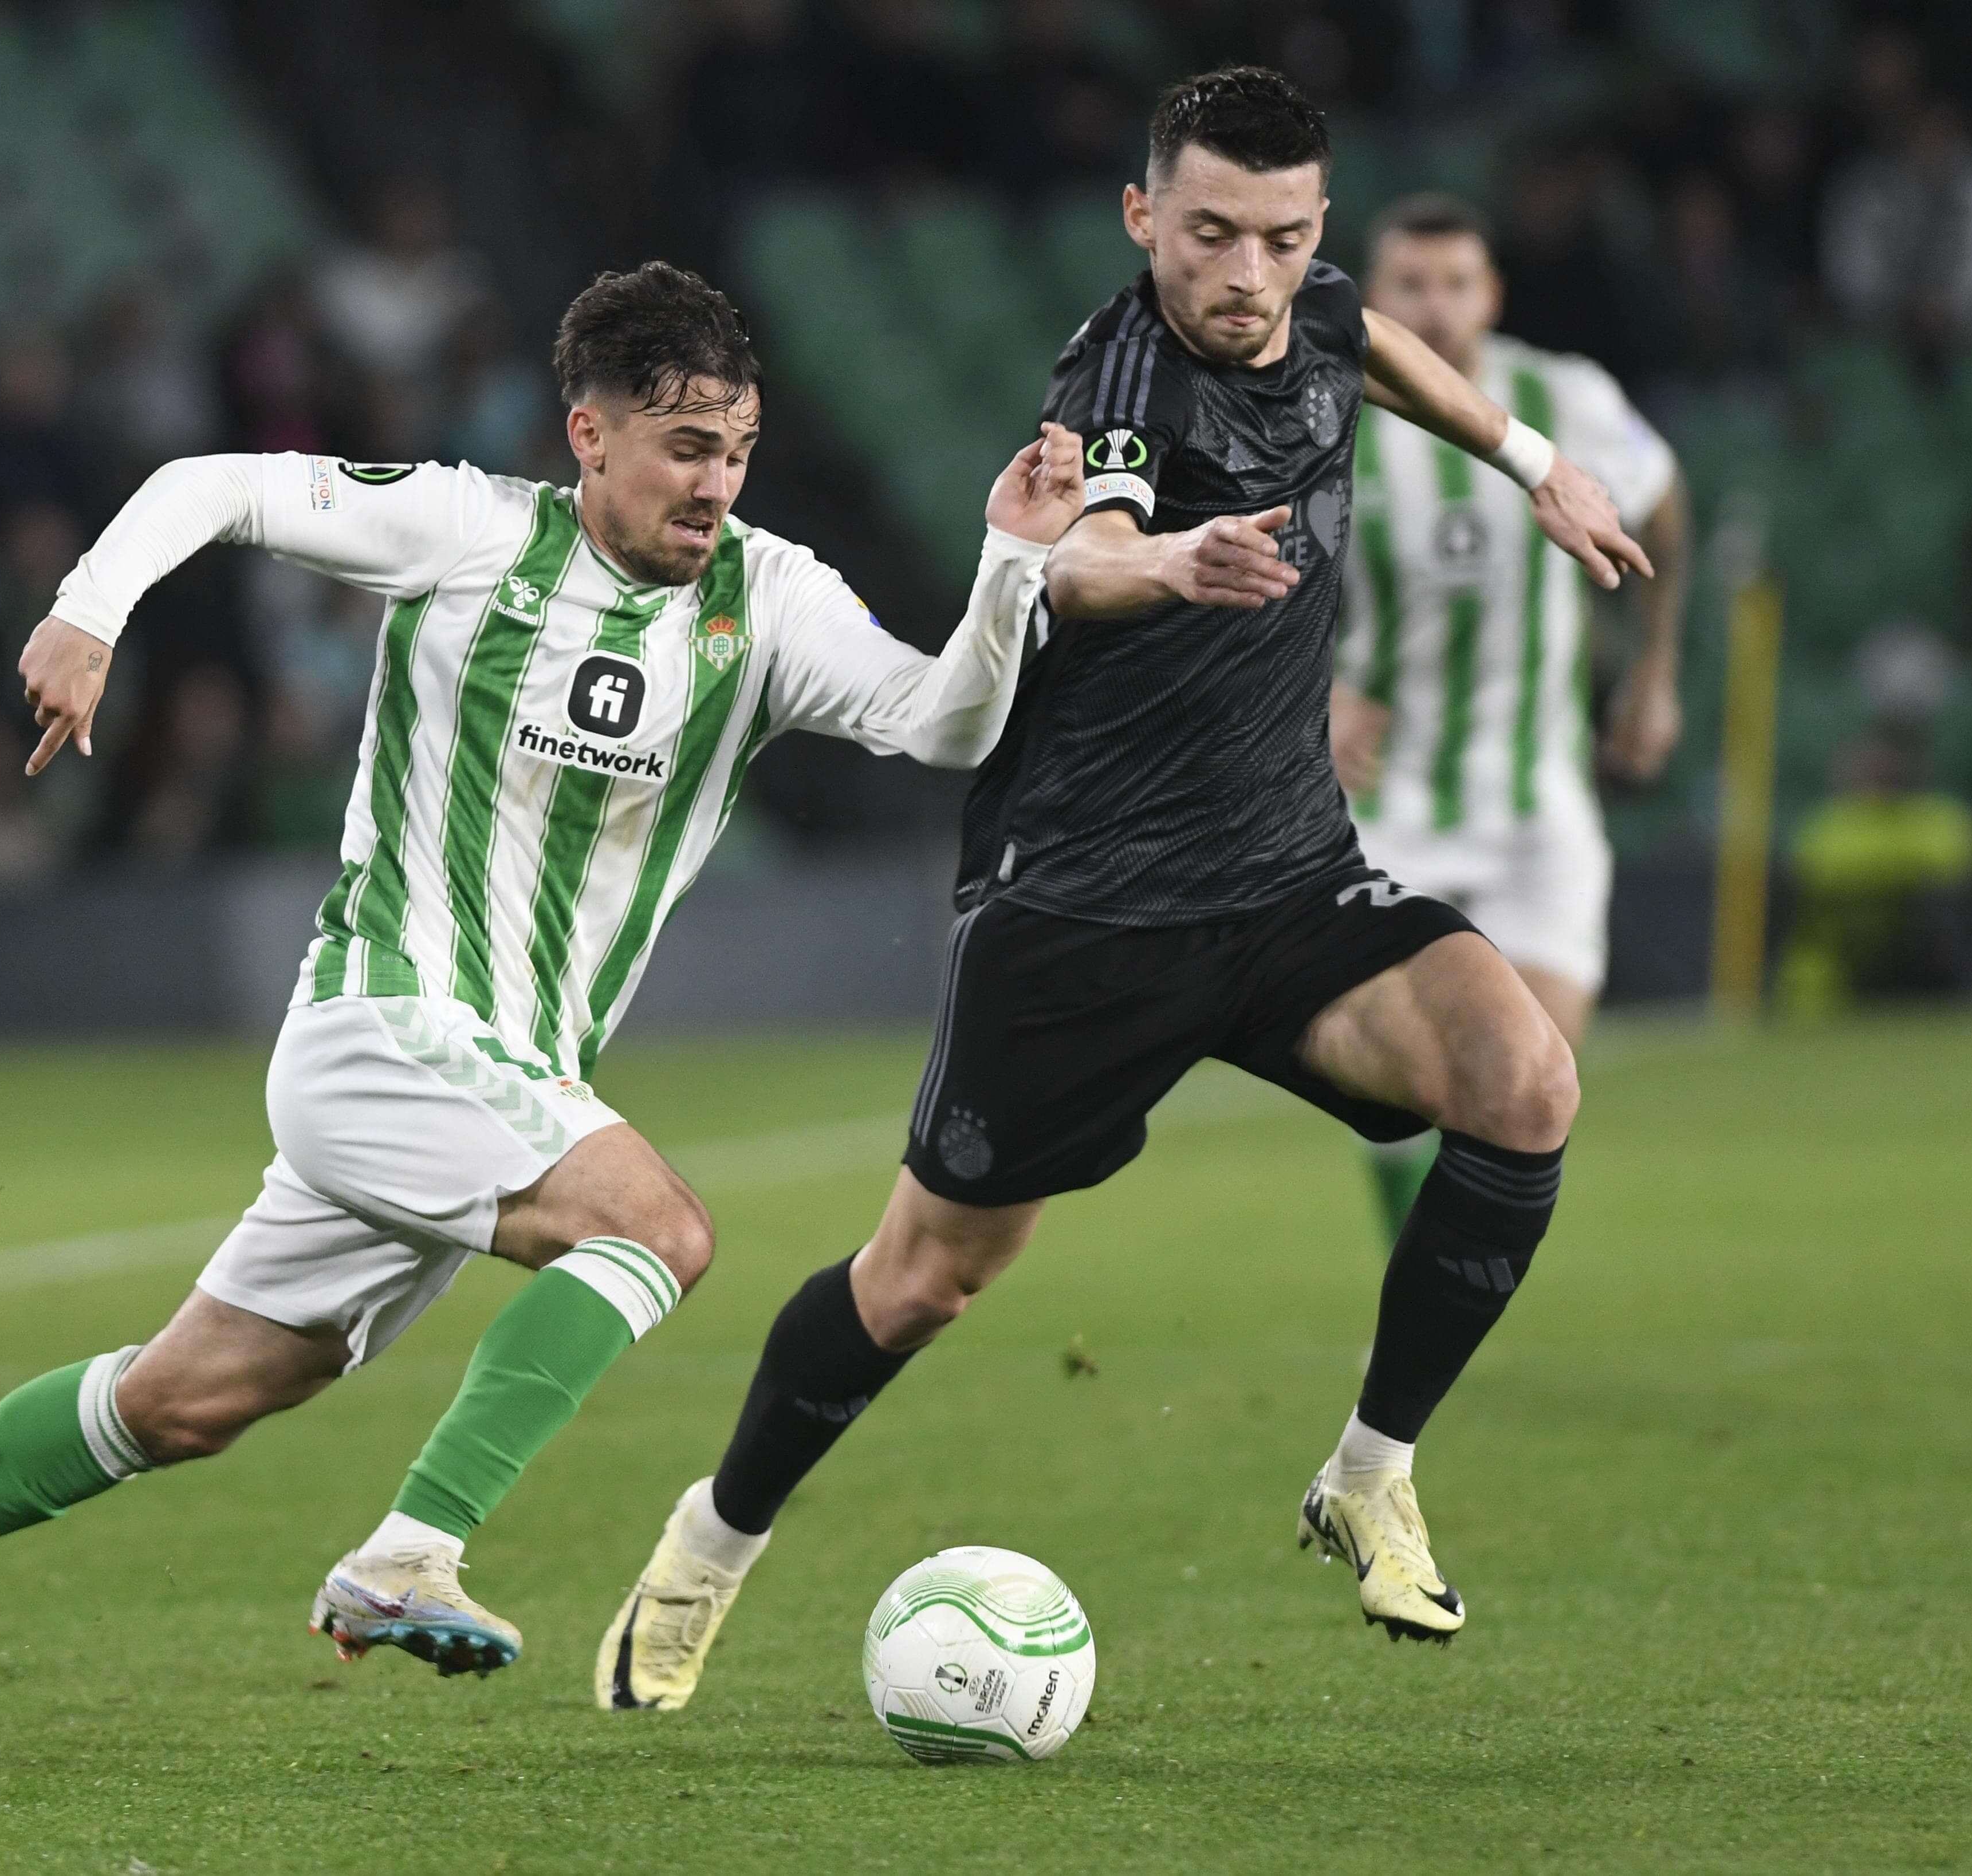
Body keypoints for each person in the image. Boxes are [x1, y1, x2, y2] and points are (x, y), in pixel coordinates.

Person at [0, 261, 1087, 1741]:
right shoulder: (469, 532)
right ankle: (411, 1549)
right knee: (659, 1227)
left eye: (737, 450)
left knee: (182, 1401)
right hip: (380, 1021)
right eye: (685, 448)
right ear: (589, 436)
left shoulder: (765, 599)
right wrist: (90, 610)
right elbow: (215, 484)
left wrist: (1010, 564)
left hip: (502, 1077)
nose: (717, 483)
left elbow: (942, 717)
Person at [596, 68, 1655, 1713]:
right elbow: (1080, 550)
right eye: (1210, 232)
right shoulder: (1119, 372)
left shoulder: (1313, 308)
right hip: (1084, 909)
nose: (1245, 274)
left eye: (1282, 238)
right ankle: (709, 1541)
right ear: (1141, 214)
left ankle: (1369, 1470)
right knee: (924, 1279)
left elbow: (1369, 340)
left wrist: (1532, 462)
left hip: (1290, 875)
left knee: (1522, 1080)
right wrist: (1167, 560)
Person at [1328, 192, 1687, 1243]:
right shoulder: (1327, 409)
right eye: (1409, 286)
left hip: (1538, 804)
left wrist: (1653, 672)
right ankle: (1422, 1295)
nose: (1434, 308)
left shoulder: (1563, 399)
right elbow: (1256, 569)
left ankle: (1431, 1298)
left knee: (1524, 1090)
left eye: (1454, 284)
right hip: (1385, 802)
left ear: (1491, 293)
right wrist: (1313, 695)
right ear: (1374, 296)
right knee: (1401, 1092)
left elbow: (1664, 503)